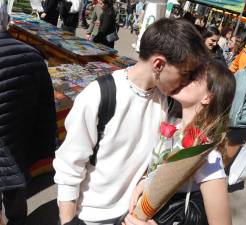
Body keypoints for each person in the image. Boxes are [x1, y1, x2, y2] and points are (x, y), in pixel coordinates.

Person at [53, 18, 209, 225]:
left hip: (134, 215)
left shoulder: (167, 99)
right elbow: (69, 168)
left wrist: (146, 180)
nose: (185, 81)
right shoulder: (99, 96)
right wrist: (68, 221)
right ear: (159, 64)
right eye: (184, 73)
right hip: (91, 218)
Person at [124, 60, 235, 225]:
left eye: (192, 77)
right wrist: (144, 181)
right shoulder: (172, 124)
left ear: (207, 97)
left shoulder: (206, 155)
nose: (182, 78)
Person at [0, 2, 57, 224]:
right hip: (17, 142)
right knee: (16, 194)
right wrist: (44, 145)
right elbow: (45, 110)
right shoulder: (32, 55)